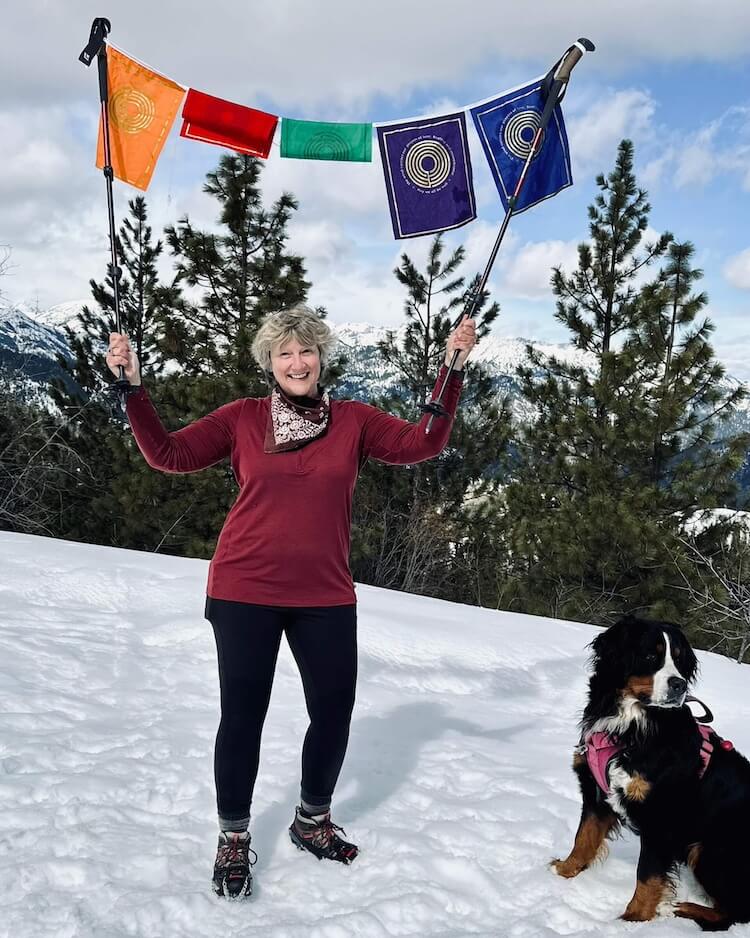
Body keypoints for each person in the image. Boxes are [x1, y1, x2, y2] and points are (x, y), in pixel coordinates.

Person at [106, 304, 476, 898]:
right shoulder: (243, 419)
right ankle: (233, 836)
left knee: (333, 710)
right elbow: (167, 455)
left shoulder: (352, 421)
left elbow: (424, 443)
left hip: (324, 594)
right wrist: (132, 390)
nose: (297, 361)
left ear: (321, 358)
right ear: (269, 363)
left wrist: (451, 372)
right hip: (243, 590)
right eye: (284, 353)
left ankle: (311, 820)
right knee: (243, 716)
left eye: (306, 350)